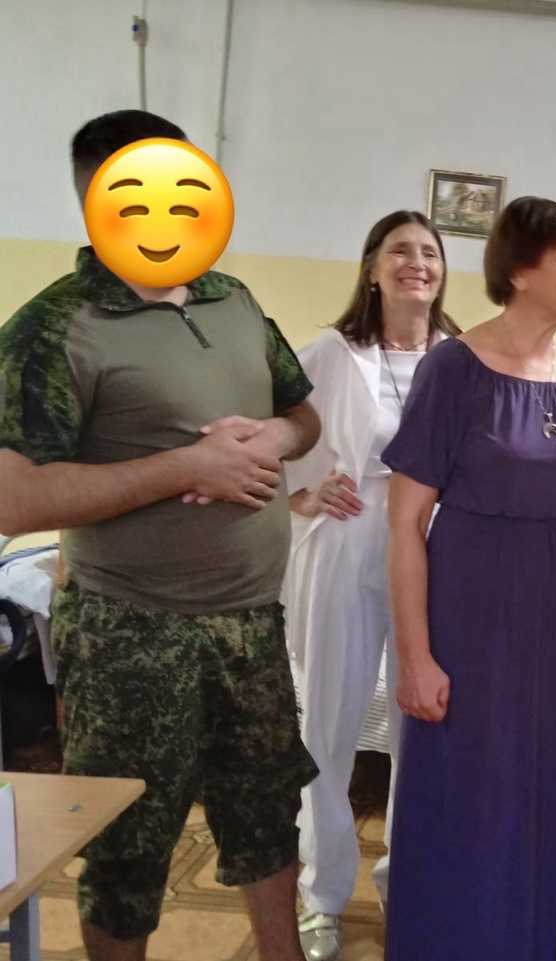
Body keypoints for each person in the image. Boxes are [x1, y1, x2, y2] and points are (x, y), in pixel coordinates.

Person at [0, 109, 320, 961]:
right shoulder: (54, 327)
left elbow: (303, 413)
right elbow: (14, 499)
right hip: (133, 634)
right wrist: (189, 467)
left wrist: (274, 437)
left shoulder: (231, 298)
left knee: (267, 817)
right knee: (128, 851)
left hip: (251, 624)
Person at [381, 196, 556, 960]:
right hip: (471, 623)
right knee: (462, 805)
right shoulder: (454, 368)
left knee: (537, 807)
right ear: (520, 270)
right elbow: (405, 524)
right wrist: (416, 657)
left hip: (553, 633)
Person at [282, 210, 459, 960]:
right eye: (400, 251)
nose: (416, 262)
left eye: (429, 252)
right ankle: (322, 895)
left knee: (423, 724)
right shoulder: (331, 351)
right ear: (372, 269)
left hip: (435, 548)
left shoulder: (462, 357)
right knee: (326, 726)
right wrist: (304, 495)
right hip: (349, 541)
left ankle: (404, 877)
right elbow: (277, 436)